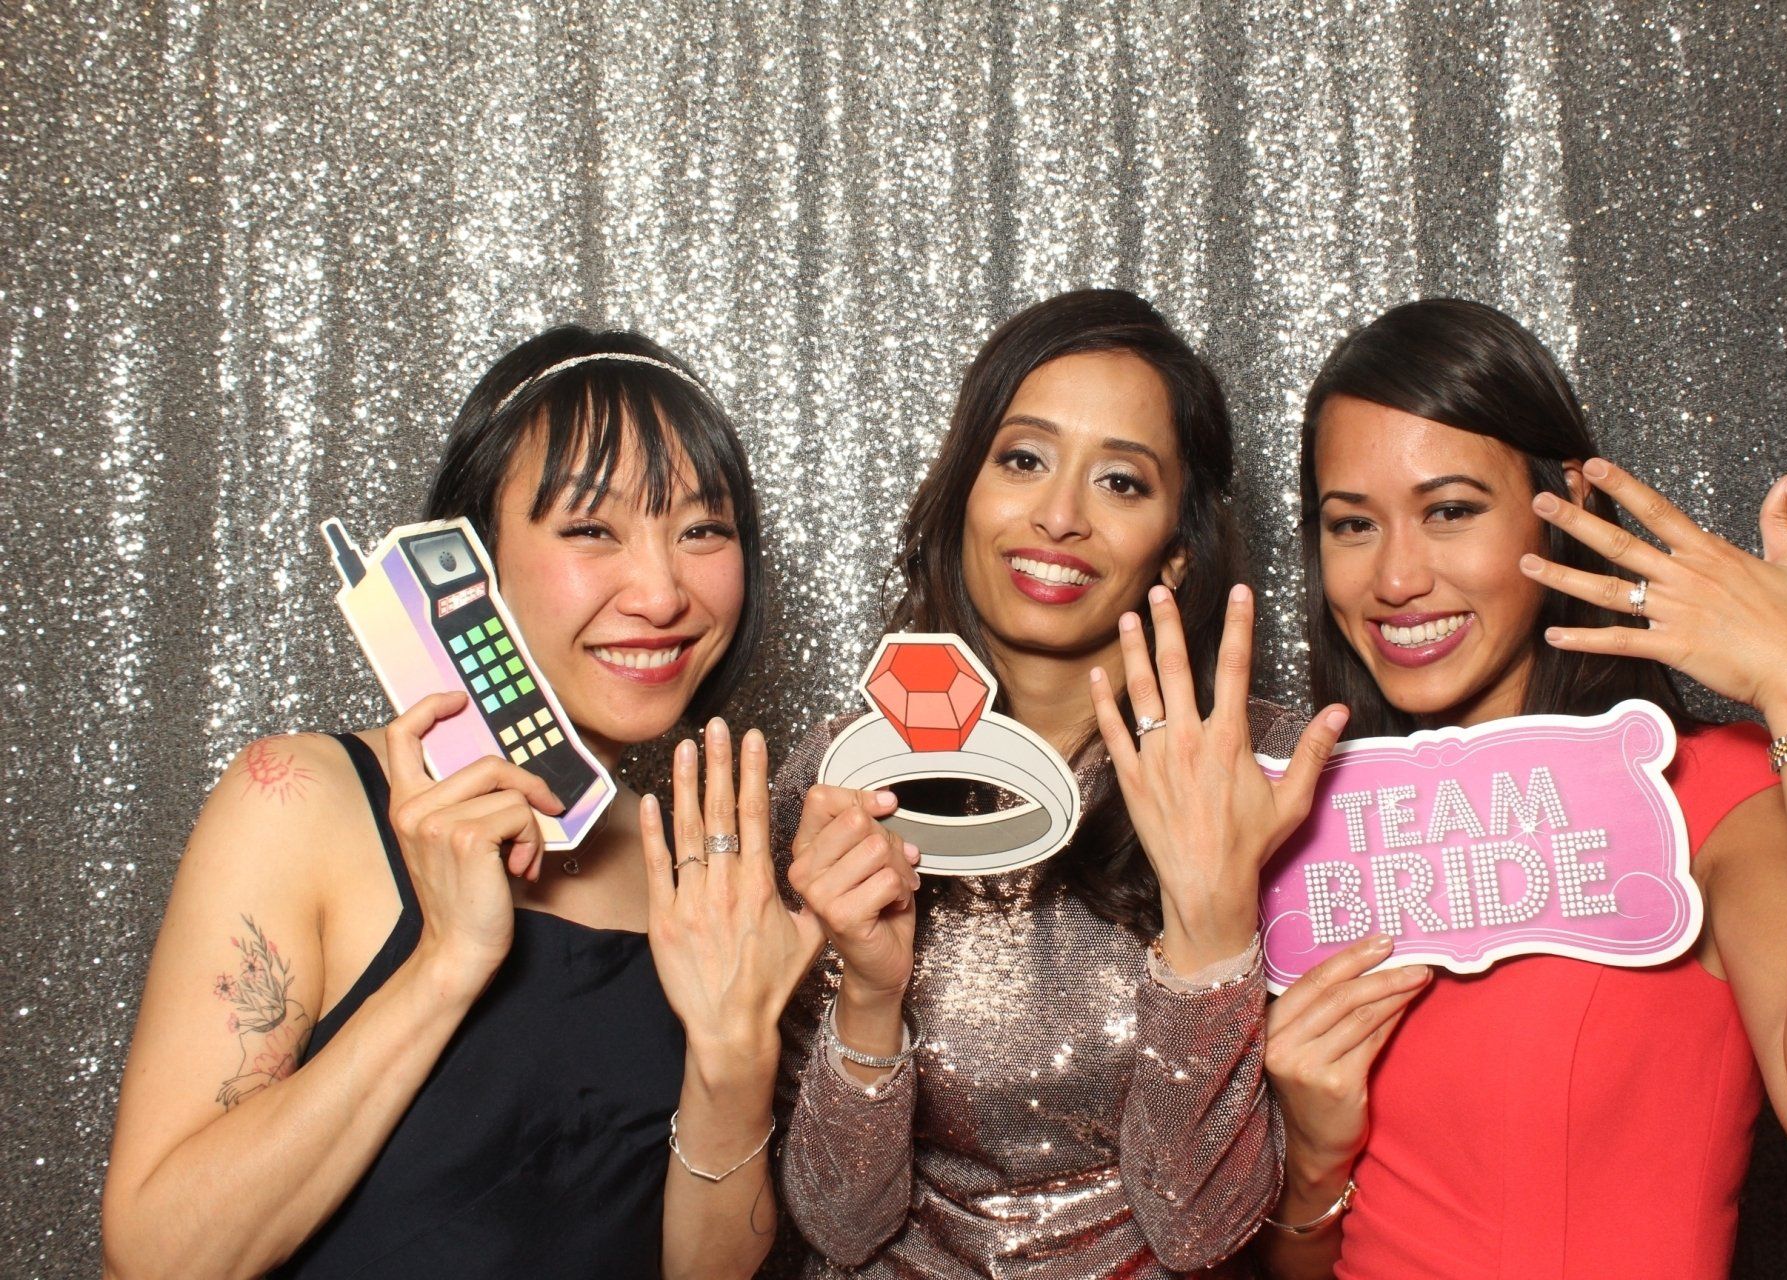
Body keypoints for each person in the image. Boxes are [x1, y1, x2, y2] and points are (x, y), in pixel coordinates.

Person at [101, 326, 830, 1279]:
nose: (661, 592)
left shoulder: (707, 874)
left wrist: (735, 1057)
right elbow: (158, 1258)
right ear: (471, 557)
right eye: (589, 529)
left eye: (703, 530)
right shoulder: (299, 802)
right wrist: (449, 963)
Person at [1254, 298, 1787, 1279]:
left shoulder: (1716, 799)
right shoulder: (1315, 824)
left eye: (1450, 510)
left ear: (1559, 502)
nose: (1394, 576)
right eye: (1352, 523)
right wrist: (1311, 1158)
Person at [769, 288, 1348, 1276]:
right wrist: (870, 992)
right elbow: (837, 1223)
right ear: (964, 491)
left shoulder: (1277, 780)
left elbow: (1201, 1229)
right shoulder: (841, 776)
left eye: (1121, 481)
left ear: (1175, 544)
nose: (1060, 515)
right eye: (1023, 458)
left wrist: (1211, 925)